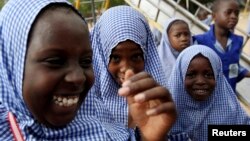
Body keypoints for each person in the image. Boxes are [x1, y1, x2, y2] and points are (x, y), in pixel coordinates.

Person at [0, 0, 179, 140]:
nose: (78, 77)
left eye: (86, 61)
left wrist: (150, 138)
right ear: (11, 64)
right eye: (55, 61)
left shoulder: (102, 130)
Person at [90, 5, 190, 140]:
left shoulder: (160, 104)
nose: (128, 69)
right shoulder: (85, 111)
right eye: (115, 58)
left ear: (147, 55)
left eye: (136, 56)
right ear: (101, 56)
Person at [167, 45, 250, 141]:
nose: (200, 81)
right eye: (191, 74)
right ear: (180, 76)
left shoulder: (232, 114)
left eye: (208, 75)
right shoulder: (165, 115)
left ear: (217, 76)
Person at [194, 0, 250, 93]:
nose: (233, 16)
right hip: (206, 99)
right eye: (228, 12)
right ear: (214, 16)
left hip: (228, 98)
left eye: (236, 13)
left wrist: (244, 72)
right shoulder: (200, 42)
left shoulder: (237, 41)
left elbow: (233, 67)